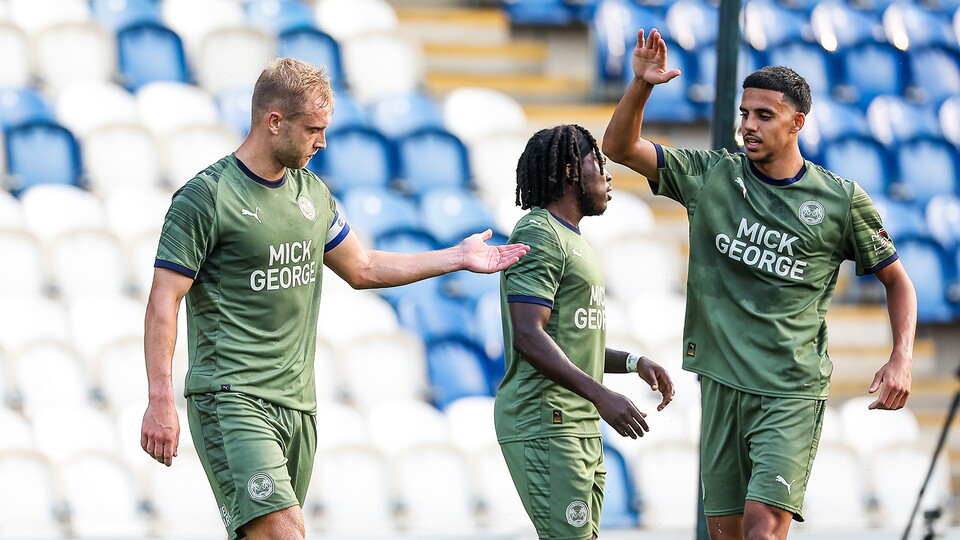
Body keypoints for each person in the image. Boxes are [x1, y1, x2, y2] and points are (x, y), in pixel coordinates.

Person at [140, 57, 529, 540]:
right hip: (231, 397)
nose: (322, 142)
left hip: (298, 405)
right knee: (285, 530)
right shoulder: (206, 197)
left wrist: (456, 256)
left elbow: (362, 268)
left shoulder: (312, 194)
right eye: (313, 130)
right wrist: (160, 400)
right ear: (274, 121)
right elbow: (163, 301)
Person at [601, 29, 917, 539]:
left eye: (763, 116)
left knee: (762, 529)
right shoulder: (712, 176)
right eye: (744, 113)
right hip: (722, 383)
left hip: (788, 389)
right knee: (726, 534)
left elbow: (897, 280)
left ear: (798, 123)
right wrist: (641, 85)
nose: (748, 125)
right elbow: (619, 147)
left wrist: (901, 355)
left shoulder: (840, 201)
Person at [495, 124, 675, 540]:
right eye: (601, 163)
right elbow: (528, 334)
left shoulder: (572, 239)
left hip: (575, 421)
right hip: (545, 419)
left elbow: (572, 339)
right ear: (573, 170)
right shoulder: (538, 232)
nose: (608, 176)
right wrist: (600, 394)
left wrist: (632, 363)